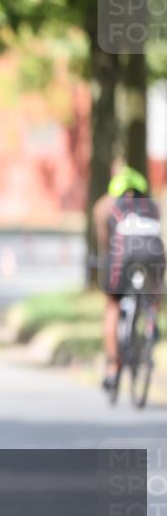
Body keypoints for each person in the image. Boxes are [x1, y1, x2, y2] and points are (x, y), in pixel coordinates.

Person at [93, 166, 164, 391]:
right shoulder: (153, 205)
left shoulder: (106, 204)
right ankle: (152, 320)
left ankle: (113, 369)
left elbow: (104, 243)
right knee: (154, 290)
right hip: (154, 252)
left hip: (122, 253)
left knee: (112, 305)